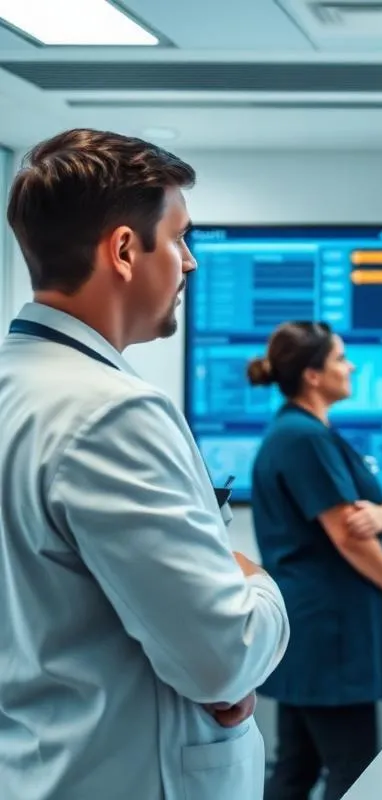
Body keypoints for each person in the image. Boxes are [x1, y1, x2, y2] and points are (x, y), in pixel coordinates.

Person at [0, 129, 290, 798]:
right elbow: (224, 658)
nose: (190, 262)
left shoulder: (21, 388)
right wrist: (261, 581)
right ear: (125, 250)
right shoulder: (111, 413)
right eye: (181, 237)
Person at [246, 321, 382, 800]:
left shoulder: (309, 434)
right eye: (341, 359)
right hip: (330, 632)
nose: (352, 367)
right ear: (313, 376)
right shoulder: (303, 439)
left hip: (319, 628)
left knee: (296, 768)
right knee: (353, 772)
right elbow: (348, 536)